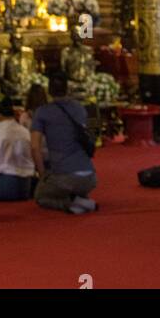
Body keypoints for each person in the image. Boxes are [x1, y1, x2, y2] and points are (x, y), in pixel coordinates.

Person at [29, 71, 97, 215]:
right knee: (69, 183)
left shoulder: (43, 112)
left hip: (65, 176)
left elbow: (35, 147)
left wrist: (42, 176)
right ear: (67, 89)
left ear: (49, 91)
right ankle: (80, 199)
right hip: (90, 175)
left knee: (41, 196)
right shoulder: (79, 108)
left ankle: (69, 204)